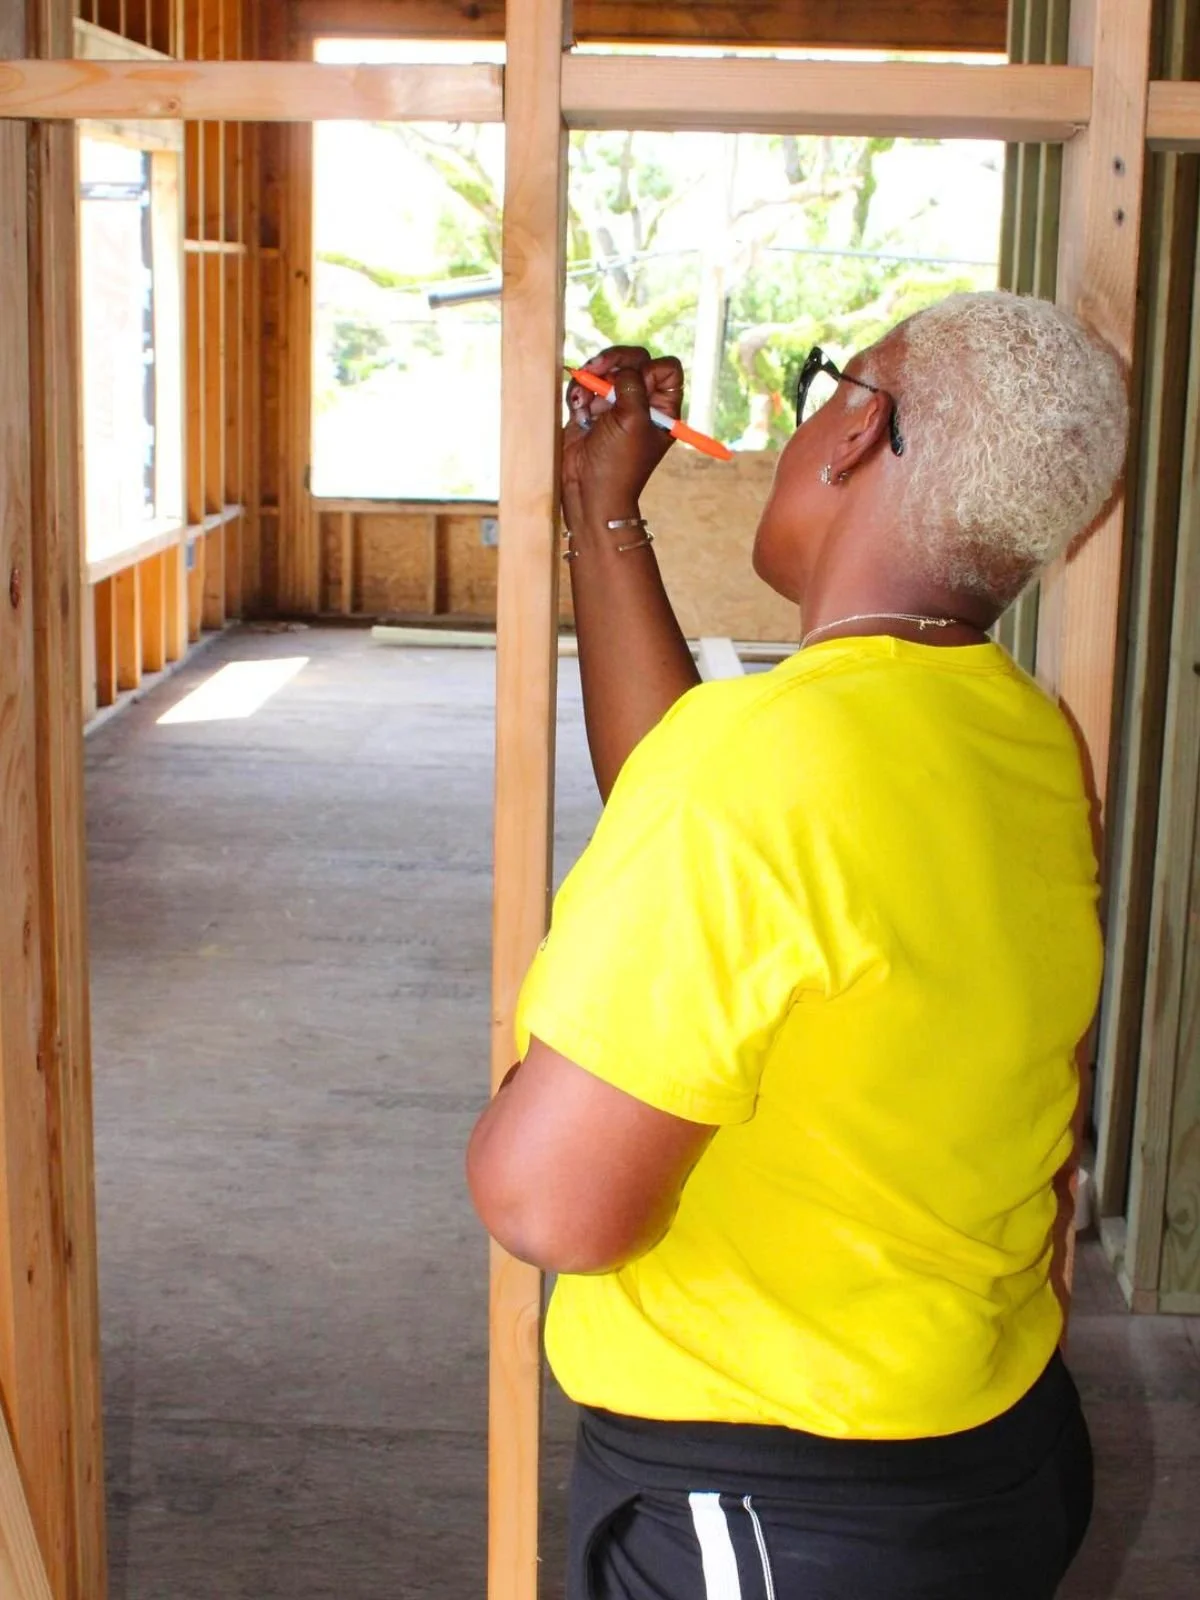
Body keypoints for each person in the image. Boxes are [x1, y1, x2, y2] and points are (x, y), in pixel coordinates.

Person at [467, 290, 1128, 1600]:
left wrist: (532, 1086)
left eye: (830, 383)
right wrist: (602, 507)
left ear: (858, 427)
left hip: (777, 1496)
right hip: (978, 1448)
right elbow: (688, 798)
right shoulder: (1017, 733)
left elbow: (549, 1204)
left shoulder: (763, 768)